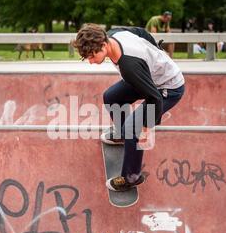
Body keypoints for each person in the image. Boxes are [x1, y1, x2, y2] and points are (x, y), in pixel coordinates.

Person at [74, 24, 185, 192]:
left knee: (133, 129)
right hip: (147, 78)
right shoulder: (113, 34)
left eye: (92, 56)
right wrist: (155, 50)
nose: (90, 61)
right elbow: (140, 31)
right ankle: (124, 135)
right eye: (86, 57)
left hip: (167, 88)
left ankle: (131, 177)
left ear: (104, 45)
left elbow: (154, 98)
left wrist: (146, 128)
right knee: (111, 97)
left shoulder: (130, 66)